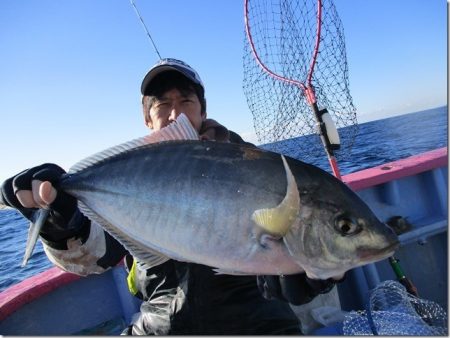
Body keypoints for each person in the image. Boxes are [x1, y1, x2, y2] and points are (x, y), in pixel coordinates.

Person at [0, 58, 344, 335]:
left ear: (202, 110)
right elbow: (97, 256)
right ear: (147, 119)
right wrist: (63, 224)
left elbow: (276, 274)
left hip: (257, 324)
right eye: (162, 104)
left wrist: (301, 275)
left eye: (186, 101)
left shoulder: (254, 168)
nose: (175, 113)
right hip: (160, 326)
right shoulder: (130, 176)